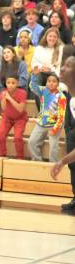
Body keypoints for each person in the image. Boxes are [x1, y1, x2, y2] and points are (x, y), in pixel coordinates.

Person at [51, 56, 75, 212]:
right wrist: (62, 162)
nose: (62, 68)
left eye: (67, 65)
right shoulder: (72, 101)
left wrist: (62, 161)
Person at [29, 69, 66, 163]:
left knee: (53, 146)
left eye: (54, 81)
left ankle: (54, 164)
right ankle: (37, 160)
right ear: (46, 83)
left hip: (55, 124)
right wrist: (34, 75)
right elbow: (32, 87)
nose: (51, 83)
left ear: (58, 83)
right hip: (42, 123)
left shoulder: (61, 97)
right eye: (49, 81)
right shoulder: (43, 90)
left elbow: (61, 117)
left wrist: (55, 129)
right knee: (32, 142)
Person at [0, 75, 27, 159]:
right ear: (6, 84)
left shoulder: (22, 93)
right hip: (7, 118)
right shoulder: (3, 93)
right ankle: (2, 156)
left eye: (13, 83)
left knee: (17, 137)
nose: (10, 85)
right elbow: (4, 108)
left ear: (17, 84)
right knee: (0, 134)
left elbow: (20, 109)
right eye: (8, 83)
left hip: (20, 118)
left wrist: (10, 98)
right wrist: (3, 98)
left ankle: (20, 157)